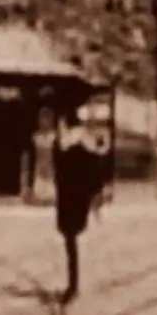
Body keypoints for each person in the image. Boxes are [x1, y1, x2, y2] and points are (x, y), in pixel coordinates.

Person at [52, 122, 110, 303]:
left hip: (70, 201)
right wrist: (95, 201)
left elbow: (60, 173)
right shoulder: (86, 151)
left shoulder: (69, 150)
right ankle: (73, 285)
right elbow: (96, 178)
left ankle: (73, 286)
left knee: (70, 241)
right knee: (71, 241)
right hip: (77, 201)